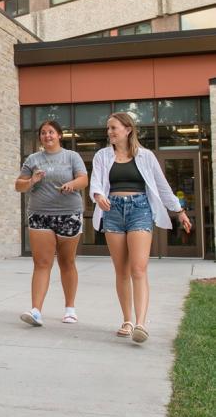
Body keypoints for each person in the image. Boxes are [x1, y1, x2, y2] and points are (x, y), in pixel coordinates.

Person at [90, 111, 192, 344]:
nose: (109, 133)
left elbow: (162, 187)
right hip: (112, 211)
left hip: (140, 210)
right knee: (122, 270)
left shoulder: (146, 156)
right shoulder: (102, 156)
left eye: (113, 128)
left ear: (127, 129)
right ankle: (127, 319)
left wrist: (179, 212)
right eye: (108, 129)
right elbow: (96, 181)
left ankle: (141, 323)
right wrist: (98, 195)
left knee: (138, 268)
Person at [15, 120, 88, 327]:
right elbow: (18, 185)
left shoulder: (71, 156)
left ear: (59, 135)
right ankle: (36, 310)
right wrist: (32, 181)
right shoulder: (33, 159)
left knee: (67, 262)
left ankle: (70, 309)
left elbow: (83, 179)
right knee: (41, 263)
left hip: (69, 214)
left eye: (51, 132)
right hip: (40, 215)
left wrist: (71, 184)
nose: (47, 136)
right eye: (44, 133)